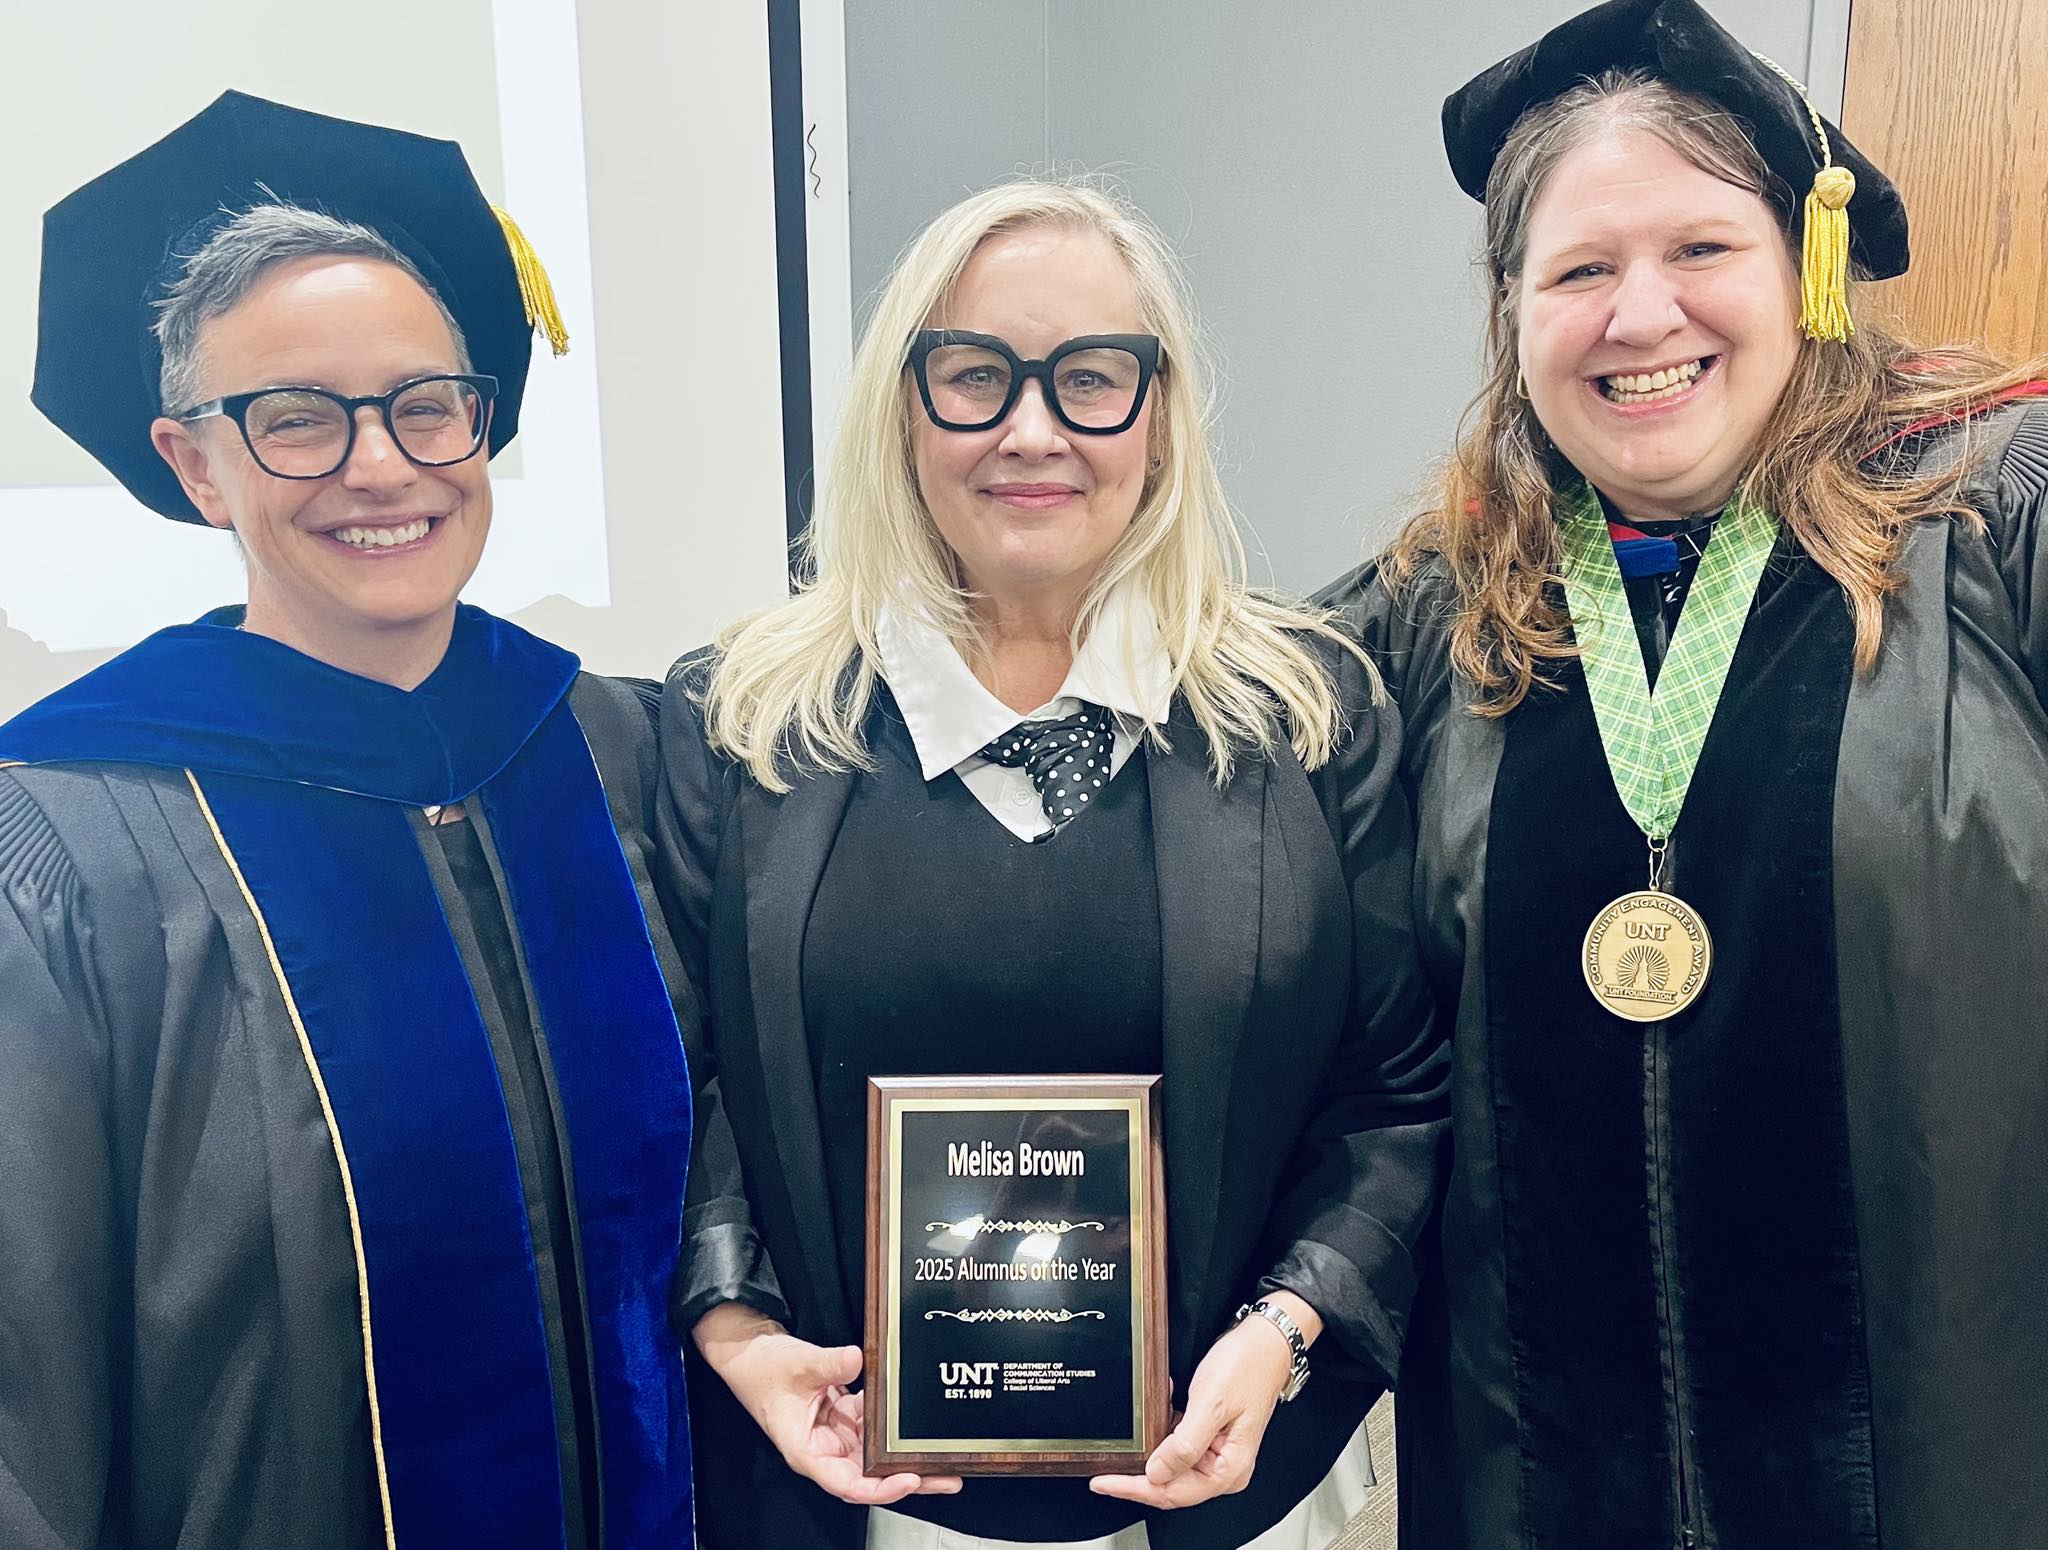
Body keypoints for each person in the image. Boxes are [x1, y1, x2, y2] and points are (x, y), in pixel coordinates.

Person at [1319, 2, 2048, 1546]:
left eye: (1702, 248)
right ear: (1513, 313)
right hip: (1531, 1488)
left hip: (1952, 1470)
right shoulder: (1427, 619)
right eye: (1579, 269)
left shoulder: (1998, 527)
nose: (1641, 314)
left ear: (1804, 267)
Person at [657, 181, 1448, 1550]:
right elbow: (679, 1084)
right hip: (848, 1486)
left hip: (1230, 1480)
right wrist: (735, 1324)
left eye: (1091, 377)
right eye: (975, 375)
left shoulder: (1309, 716)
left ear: (1161, 414)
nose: (1032, 430)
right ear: (902, 410)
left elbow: (1394, 1090)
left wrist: (1285, 1326)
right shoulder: (743, 721)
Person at [0, 93, 697, 1548]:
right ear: (197, 465)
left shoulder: (613, 748)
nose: (381, 466)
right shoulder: (76, 832)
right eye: (298, 420)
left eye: (423, 404)